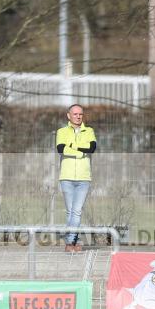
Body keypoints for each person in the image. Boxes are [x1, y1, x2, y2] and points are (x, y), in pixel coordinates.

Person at [55, 104, 96, 252]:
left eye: (80, 114)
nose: (78, 117)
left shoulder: (89, 131)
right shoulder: (62, 131)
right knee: (70, 211)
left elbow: (91, 148)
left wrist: (71, 146)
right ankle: (75, 241)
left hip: (84, 178)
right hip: (66, 177)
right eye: (75, 114)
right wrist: (80, 151)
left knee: (76, 211)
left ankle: (69, 243)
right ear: (68, 115)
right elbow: (61, 149)